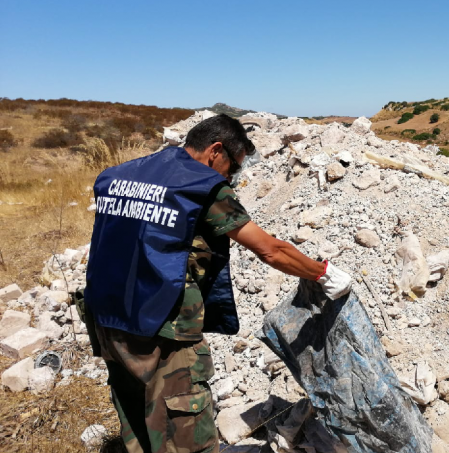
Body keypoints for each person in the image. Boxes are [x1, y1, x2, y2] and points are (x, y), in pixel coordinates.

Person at [83, 114, 352, 453]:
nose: (232, 177)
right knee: (185, 431)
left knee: (138, 420)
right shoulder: (200, 187)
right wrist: (322, 272)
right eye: (233, 167)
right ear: (215, 151)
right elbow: (270, 250)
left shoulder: (119, 175)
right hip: (158, 326)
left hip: (106, 317)